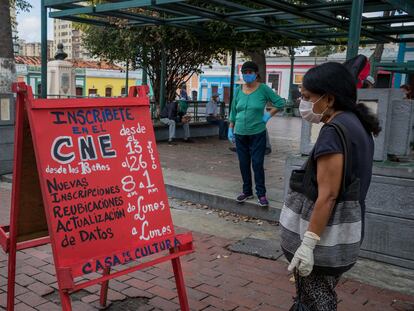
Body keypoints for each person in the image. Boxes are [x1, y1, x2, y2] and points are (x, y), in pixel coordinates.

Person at [281, 62, 381, 311]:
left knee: (317, 299)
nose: (302, 103)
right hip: (343, 233)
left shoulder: (333, 133)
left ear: (328, 98)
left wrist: (308, 245)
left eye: (306, 97)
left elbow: (328, 195)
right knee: (314, 295)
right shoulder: (355, 123)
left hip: (324, 236)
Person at [228, 61, 285, 207]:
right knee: (243, 163)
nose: (247, 75)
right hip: (240, 133)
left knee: (257, 163)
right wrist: (230, 127)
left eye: (250, 72)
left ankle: (261, 194)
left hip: (257, 133)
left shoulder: (263, 89)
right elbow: (233, 111)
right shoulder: (238, 90)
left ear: (256, 74)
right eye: (245, 72)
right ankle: (247, 191)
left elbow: (280, 103)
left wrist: (267, 116)